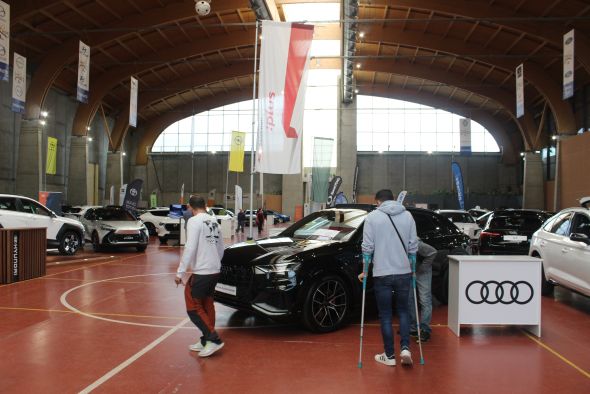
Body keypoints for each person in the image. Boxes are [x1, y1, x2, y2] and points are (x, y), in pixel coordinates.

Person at [359, 189, 418, 367]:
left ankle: (390, 356)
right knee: (403, 311)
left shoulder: (372, 218)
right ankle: (406, 348)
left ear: (378, 202)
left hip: (382, 272)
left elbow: (367, 248)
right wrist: (413, 269)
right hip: (403, 271)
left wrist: (365, 271)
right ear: (392, 200)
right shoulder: (407, 216)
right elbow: (413, 246)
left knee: (385, 315)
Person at [175, 195, 225, 357]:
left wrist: (180, 272)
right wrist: (215, 263)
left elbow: (190, 248)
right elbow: (221, 248)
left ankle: (214, 339)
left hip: (202, 271)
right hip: (214, 269)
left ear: (190, 207)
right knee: (207, 303)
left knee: (193, 306)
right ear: (205, 205)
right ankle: (206, 340)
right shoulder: (214, 221)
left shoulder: (194, 221)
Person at [408, 239, 437, 343]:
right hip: (408, 271)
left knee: (424, 299)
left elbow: (433, 252)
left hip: (421, 271)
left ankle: (425, 330)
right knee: (409, 300)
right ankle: (413, 328)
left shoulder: (415, 242)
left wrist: (422, 268)